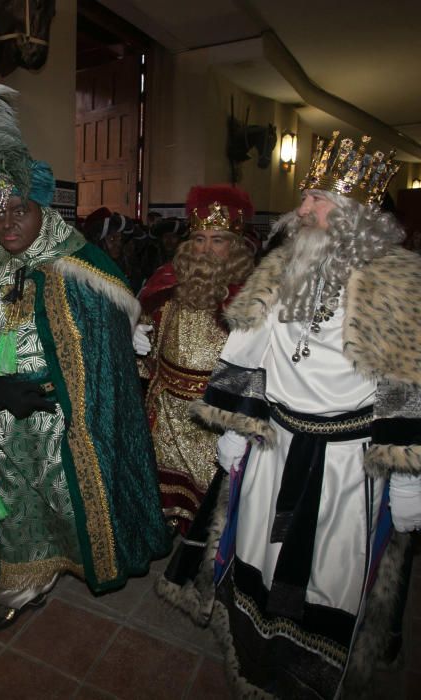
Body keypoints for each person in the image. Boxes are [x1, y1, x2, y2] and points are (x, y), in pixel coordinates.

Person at [156, 132, 421, 697]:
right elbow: (249, 351)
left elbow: (407, 382)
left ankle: (307, 676)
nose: (300, 209)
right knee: (261, 552)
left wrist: (405, 475)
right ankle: (256, 658)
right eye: (305, 197)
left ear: (352, 214)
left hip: (346, 466)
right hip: (273, 450)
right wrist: (233, 427)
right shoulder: (280, 270)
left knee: (329, 572)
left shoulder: (395, 282)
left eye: (316, 199)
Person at [0, 84, 169, 632]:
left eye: (19, 210)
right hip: (0, 416)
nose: (8, 225)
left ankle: (71, 563)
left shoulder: (82, 269)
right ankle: (22, 587)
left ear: (44, 209)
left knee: (68, 503)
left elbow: (106, 357)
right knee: (14, 504)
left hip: (65, 421)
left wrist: (70, 393)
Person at [134, 185, 254, 534]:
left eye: (218, 240)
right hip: (167, 405)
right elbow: (149, 322)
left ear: (234, 245)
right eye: (199, 239)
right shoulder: (168, 281)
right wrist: (136, 330)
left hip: (213, 415)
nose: (206, 249)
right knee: (161, 479)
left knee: (209, 500)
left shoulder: (251, 294)